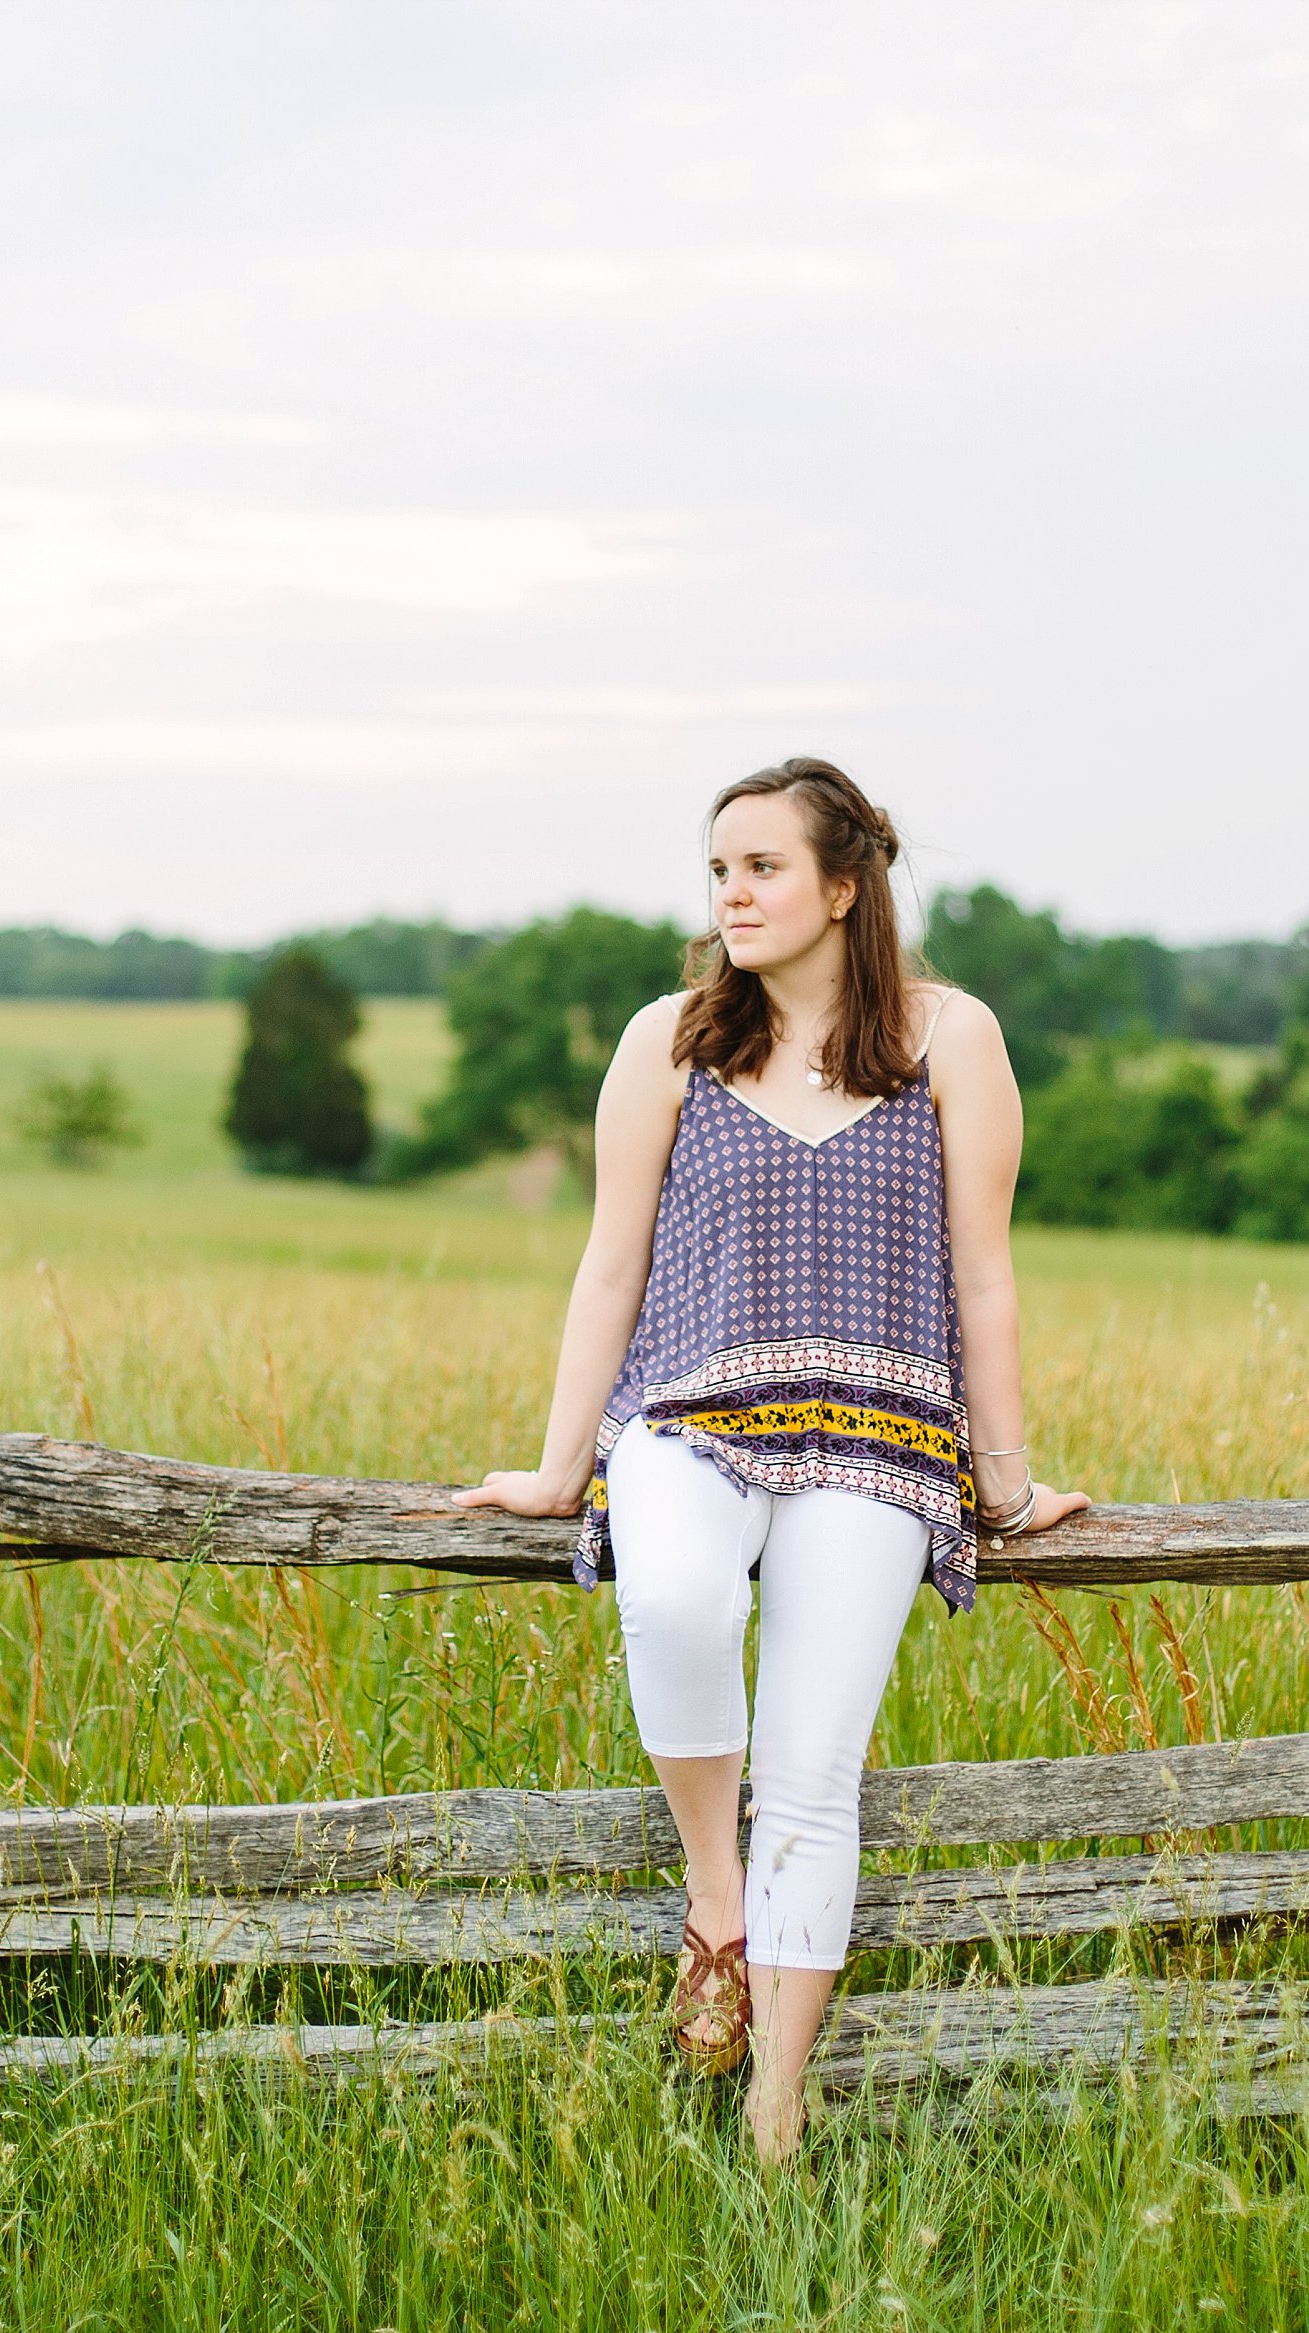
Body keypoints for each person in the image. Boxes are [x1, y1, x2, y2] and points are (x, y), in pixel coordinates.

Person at [456, 757, 1087, 2164]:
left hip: (877, 1438)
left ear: (844, 887)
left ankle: (777, 2103)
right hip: (692, 1417)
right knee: (676, 1602)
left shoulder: (950, 1036)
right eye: (719, 869)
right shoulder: (668, 1039)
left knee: (815, 1762)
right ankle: (717, 1904)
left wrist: (1004, 1483)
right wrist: (563, 1469)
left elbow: (984, 1275)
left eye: (764, 867)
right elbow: (609, 1263)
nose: (733, 893)